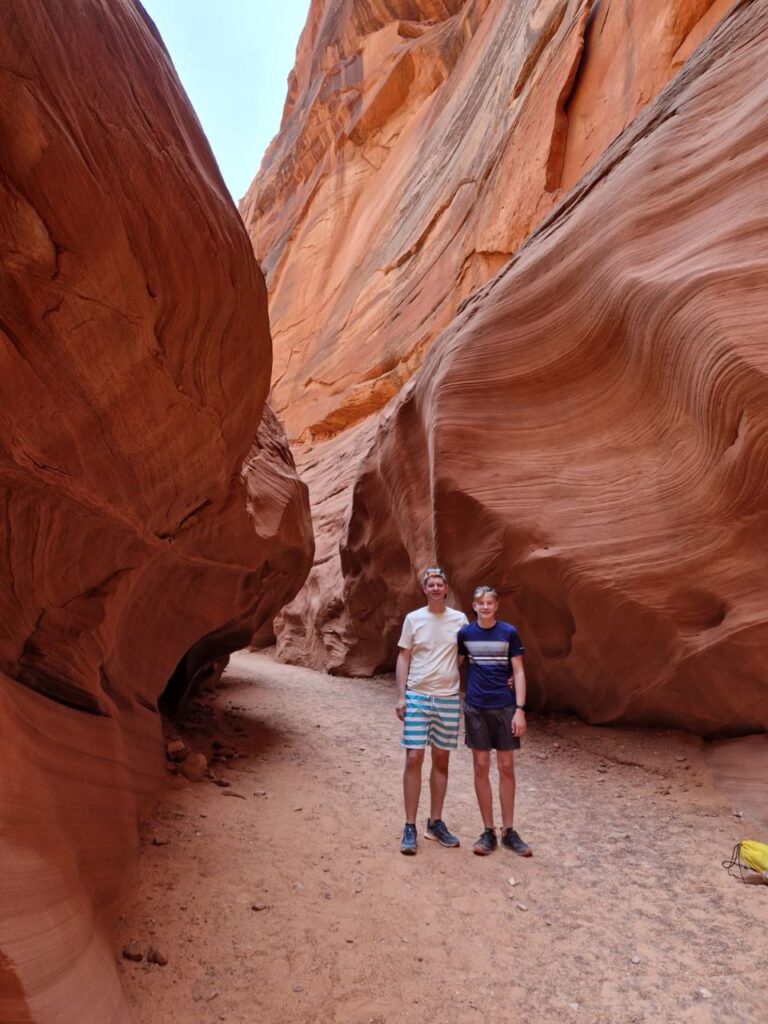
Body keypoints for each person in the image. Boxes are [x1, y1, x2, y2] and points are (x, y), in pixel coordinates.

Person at [395, 567, 468, 855]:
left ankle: (435, 823)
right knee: (414, 757)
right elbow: (404, 657)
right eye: (431, 585)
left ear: (446, 589)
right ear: (424, 589)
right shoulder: (413, 619)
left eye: (440, 584)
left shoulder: (459, 620)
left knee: (441, 760)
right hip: (418, 696)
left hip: (447, 698)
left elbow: (464, 654)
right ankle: (409, 825)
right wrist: (401, 696)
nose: (436, 588)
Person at [458, 585, 532, 857]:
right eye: (481, 603)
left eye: (490, 603)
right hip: (476, 706)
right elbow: (454, 664)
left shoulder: (508, 632)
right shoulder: (465, 634)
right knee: (480, 766)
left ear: (496, 605)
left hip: (504, 706)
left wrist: (520, 709)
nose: (486, 607)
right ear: (474, 606)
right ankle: (488, 831)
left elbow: (519, 671)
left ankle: (508, 831)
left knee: (506, 766)